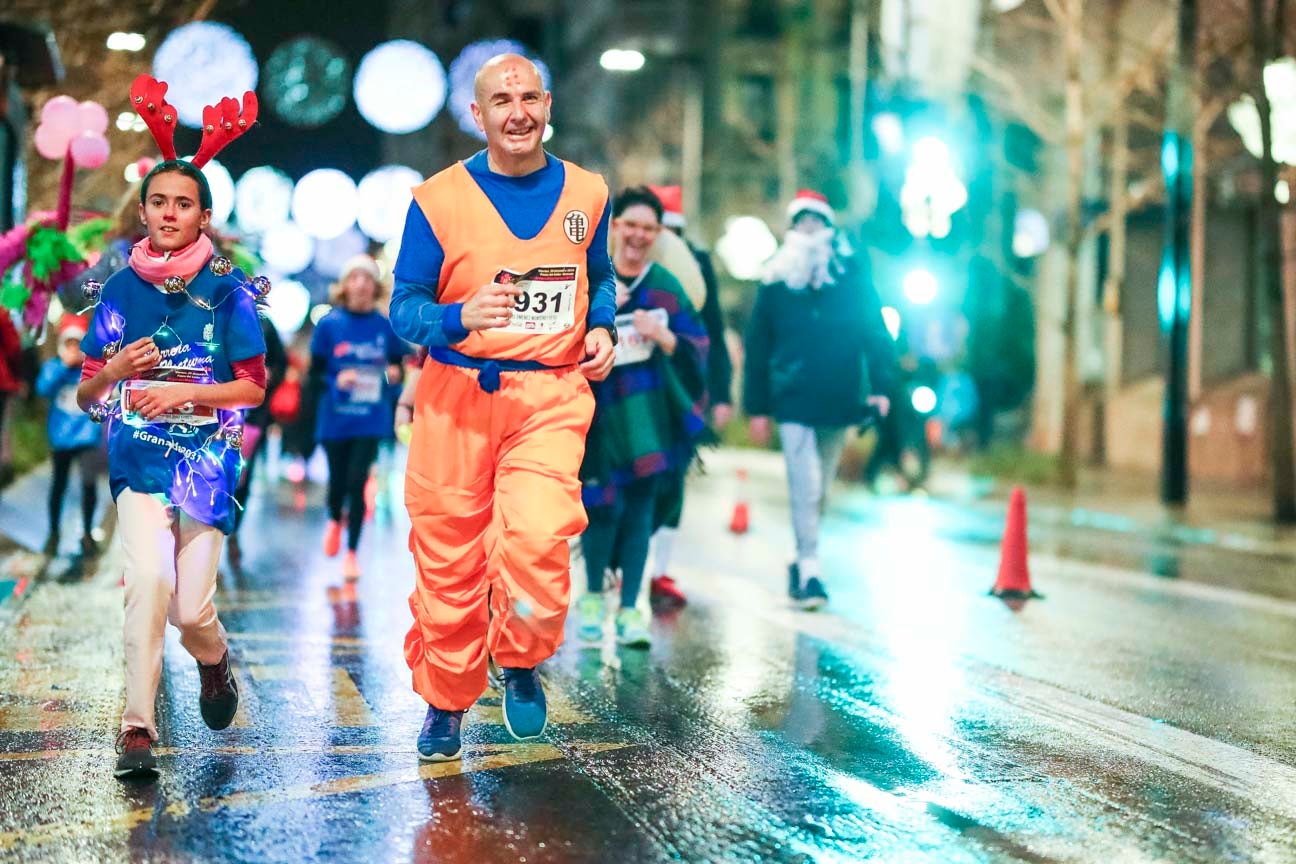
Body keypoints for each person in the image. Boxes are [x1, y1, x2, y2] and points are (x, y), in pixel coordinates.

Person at [389, 54, 616, 762]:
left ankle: (519, 657)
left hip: (549, 395)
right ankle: (446, 702)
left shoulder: (589, 192)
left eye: (528, 97)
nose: (516, 111)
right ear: (476, 115)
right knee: (449, 561)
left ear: (547, 104)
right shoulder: (436, 199)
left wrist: (603, 324)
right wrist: (457, 318)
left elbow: (599, 278)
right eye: (500, 100)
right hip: (457, 396)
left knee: (538, 541)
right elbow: (405, 309)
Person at [77, 74, 266, 779]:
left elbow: (253, 386)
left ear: (202, 215)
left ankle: (214, 661)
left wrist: (190, 393)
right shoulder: (119, 290)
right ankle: (137, 730)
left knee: (191, 611)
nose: (167, 213)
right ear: (146, 210)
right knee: (148, 582)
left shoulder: (227, 289)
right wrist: (114, 369)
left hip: (206, 461)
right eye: (158, 201)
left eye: (182, 203)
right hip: (137, 464)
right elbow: (83, 396)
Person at [743, 189, 895, 610]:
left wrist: (881, 387)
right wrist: (756, 407)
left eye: (817, 222)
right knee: (804, 483)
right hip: (792, 397)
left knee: (821, 487)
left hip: (840, 394)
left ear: (828, 228)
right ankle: (810, 569)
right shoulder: (774, 281)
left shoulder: (850, 275)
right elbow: (758, 346)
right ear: (791, 230)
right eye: (801, 222)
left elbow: (875, 330)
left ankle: (800, 557)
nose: (809, 229)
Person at [577, 186, 708, 647]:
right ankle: (592, 597)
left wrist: (665, 336)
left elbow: (699, 348)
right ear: (614, 227)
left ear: (658, 234)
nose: (638, 235)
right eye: (630, 225)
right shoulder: (592, 281)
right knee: (600, 507)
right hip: (595, 415)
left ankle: (632, 609)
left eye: (648, 228)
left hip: (650, 420)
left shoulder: (666, 289)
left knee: (640, 510)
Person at [642, 185, 735, 608]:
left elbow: (711, 326)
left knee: (674, 476)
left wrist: (720, 390)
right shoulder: (626, 259)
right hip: (633, 384)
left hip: (682, 381)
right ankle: (623, 568)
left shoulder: (695, 263)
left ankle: (660, 572)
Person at [310, 255, 406, 582]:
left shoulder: (384, 326)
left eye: (367, 279)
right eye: (355, 278)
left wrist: (394, 373)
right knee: (338, 482)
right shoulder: (329, 325)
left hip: (370, 418)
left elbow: (401, 366)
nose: (361, 285)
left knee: (357, 481)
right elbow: (314, 373)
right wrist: (336, 380)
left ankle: (352, 553)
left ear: (375, 286)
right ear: (345, 284)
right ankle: (334, 519)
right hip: (335, 419)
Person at [36, 314, 105, 557]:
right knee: (59, 485)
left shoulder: (91, 370)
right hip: (61, 439)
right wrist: (63, 366)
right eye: (69, 344)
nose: (73, 350)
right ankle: (53, 532)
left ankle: (87, 533)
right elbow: (42, 389)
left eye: (78, 344)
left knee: (88, 485)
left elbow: (104, 391)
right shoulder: (54, 367)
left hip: (86, 437)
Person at [227, 312, 288, 568]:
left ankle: (233, 532)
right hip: (215, 413)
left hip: (252, 417)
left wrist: (269, 374)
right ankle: (214, 542)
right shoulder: (214, 315)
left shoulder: (263, 322)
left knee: (241, 478)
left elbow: (280, 363)